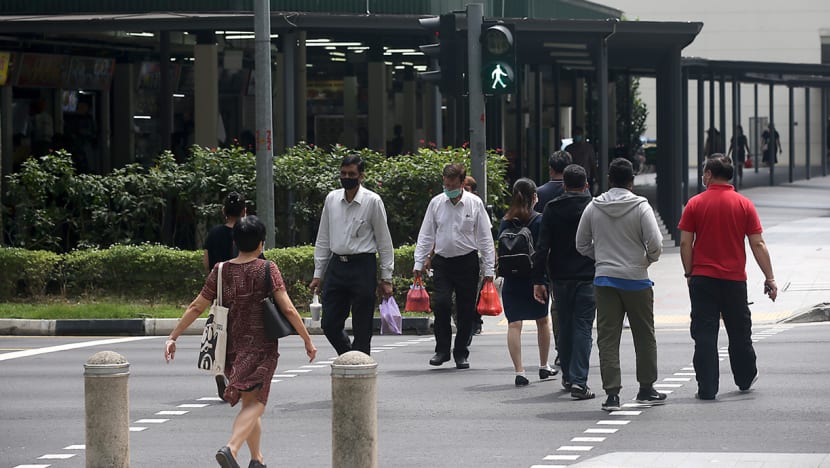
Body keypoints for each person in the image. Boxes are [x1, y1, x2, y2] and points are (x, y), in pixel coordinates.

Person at [164, 215, 317, 468]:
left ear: (235, 242)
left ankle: (257, 460)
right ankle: (231, 449)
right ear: (261, 244)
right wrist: (307, 339)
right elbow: (288, 309)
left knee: (248, 401)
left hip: (231, 347)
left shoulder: (221, 270)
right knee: (257, 404)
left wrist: (173, 336)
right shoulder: (268, 268)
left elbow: (197, 306)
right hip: (262, 347)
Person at [678, 153, 778, 400]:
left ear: (709, 174)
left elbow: (684, 244)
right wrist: (770, 277)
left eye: (704, 172)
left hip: (702, 279)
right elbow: (758, 244)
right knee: (739, 332)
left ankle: (707, 389)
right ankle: (744, 378)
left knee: (704, 334)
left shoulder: (695, 204)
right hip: (734, 281)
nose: (703, 176)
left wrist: (689, 272)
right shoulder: (744, 204)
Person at [575, 157, 665, 411]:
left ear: (609, 179)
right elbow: (655, 243)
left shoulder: (594, 206)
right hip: (636, 280)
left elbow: (581, 244)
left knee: (607, 338)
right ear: (632, 181)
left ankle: (612, 394)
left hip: (605, 281)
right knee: (644, 335)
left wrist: (602, 258)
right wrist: (646, 260)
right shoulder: (641, 207)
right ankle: (646, 389)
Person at [310, 154, 395, 356]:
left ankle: (361, 370)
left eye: (351, 174)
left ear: (361, 176)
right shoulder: (332, 199)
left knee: (362, 327)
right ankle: (350, 356)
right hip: (337, 266)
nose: (347, 177)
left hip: (363, 267)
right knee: (329, 324)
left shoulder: (373, 201)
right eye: (343, 173)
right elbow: (323, 238)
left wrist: (386, 278)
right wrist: (318, 273)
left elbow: (384, 241)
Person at [413, 163, 496, 369]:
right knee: (441, 303)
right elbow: (426, 235)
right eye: (445, 184)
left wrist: (489, 269)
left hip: (467, 261)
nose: (447, 188)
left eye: (452, 184)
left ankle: (461, 352)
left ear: (461, 183)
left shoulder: (474, 204)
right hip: (442, 262)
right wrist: (418, 261)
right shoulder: (436, 203)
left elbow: (485, 238)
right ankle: (442, 350)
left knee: (466, 309)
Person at [533, 164, 596, 399]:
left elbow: (542, 247)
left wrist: (539, 279)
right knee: (582, 327)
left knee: (565, 326)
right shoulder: (593, 207)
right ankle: (579, 380)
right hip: (588, 275)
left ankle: (569, 376)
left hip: (559, 277)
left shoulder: (552, 208)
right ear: (586, 185)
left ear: (565, 185)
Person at [498, 178, 555, 386]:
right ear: (534, 197)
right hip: (535, 279)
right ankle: (543, 365)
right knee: (542, 321)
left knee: (514, 325)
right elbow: (543, 251)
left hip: (511, 278)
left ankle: (519, 371)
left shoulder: (506, 220)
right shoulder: (539, 220)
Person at [204, 192, 247, 272]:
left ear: (223, 211)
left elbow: (206, 264)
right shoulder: (249, 233)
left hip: (219, 282)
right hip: (244, 283)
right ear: (244, 211)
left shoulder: (213, 233)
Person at [564, 127, 597, 194]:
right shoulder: (569, 149)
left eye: (579, 134)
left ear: (582, 135)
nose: (577, 136)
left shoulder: (588, 148)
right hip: (572, 178)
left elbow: (593, 164)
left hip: (586, 177)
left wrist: (595, 178)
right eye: (575, 134)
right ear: (573, 135)